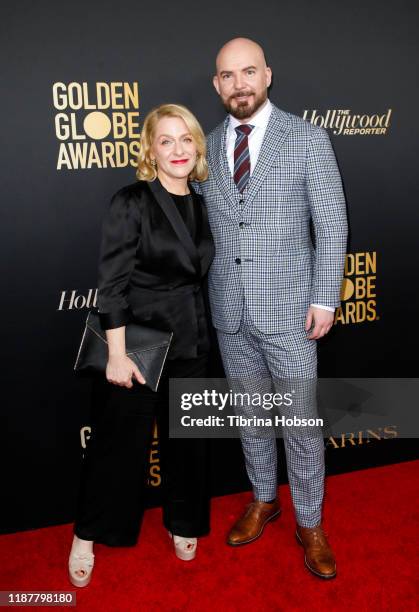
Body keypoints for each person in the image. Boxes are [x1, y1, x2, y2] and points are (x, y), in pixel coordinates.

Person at [196, 38, 348, 579]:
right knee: (252, 419)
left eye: (249, 72)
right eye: (228, 76)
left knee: (301, 424)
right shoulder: (206, 147)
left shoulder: (307, 138)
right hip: (231, 313)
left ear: (268, 76)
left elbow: (330, 225)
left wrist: (324, 297)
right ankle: (264, 498)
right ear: (217, 85)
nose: (240, 84)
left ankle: (310, 521)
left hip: (290, 314)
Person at [68, 104, 215, 587]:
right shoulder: (131, 201)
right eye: (166, 141)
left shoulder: (204, 200)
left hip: (192, 341)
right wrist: (115, 353)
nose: (177, 149)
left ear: (197, 146)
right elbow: (110, 285)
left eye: (185, 139)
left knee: (187, 444)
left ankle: (184, 522)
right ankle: (87, 535)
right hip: (138, 345)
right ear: (150, 150)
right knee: (116, 448)